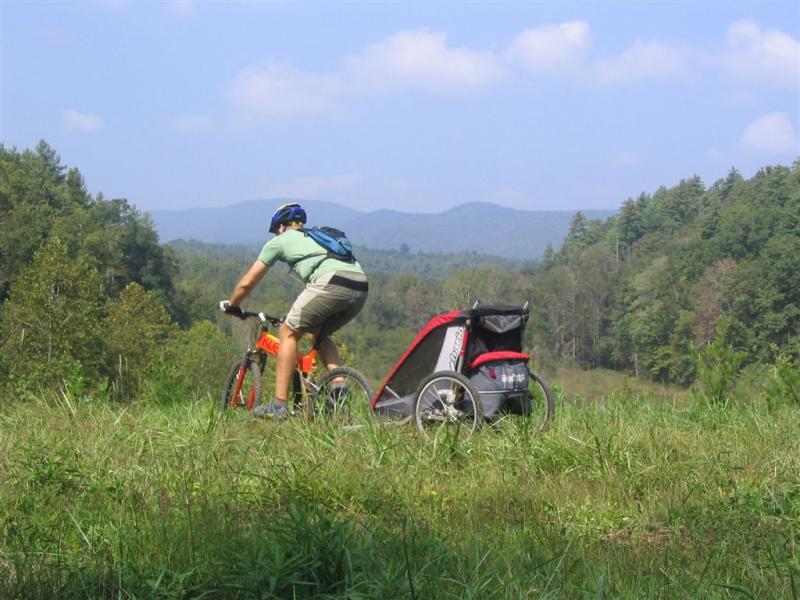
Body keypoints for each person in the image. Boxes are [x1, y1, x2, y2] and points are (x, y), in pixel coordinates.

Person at [219, 202, 368, 417]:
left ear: (280, 227)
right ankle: (338, 385)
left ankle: (279, 405)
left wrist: (233, 305)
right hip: (360, 285)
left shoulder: (279, 241)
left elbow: (247, 283)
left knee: (288, 332)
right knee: (318, 333)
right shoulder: (314, 236)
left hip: (331, 282)